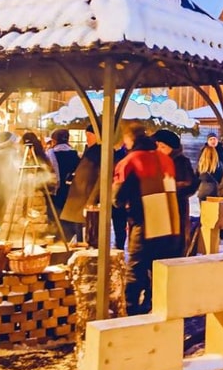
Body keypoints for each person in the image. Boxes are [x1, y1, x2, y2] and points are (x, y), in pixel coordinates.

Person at [113, 127, 180, 314]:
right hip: (169, 224)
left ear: (130, 140)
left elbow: (117, 197)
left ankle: (131, 312)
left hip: (144, 222)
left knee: (136, 267)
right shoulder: (165, 159)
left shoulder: (132, 160)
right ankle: (155, 306)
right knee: (159, 268)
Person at [59, 125, 104, 245]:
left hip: (86, 198)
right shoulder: (90, 151)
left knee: (86, 233)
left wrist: (92, 200)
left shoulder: (99, 152)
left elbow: (102, 178)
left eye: (89, 135)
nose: (87, 139)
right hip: (79, 197)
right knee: (77, 229)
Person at [46, 129, 81, 215]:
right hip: (71, 192)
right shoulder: (74, 154)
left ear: (54, 141)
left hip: (55, 192)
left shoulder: (50, 155)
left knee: (56, 217)